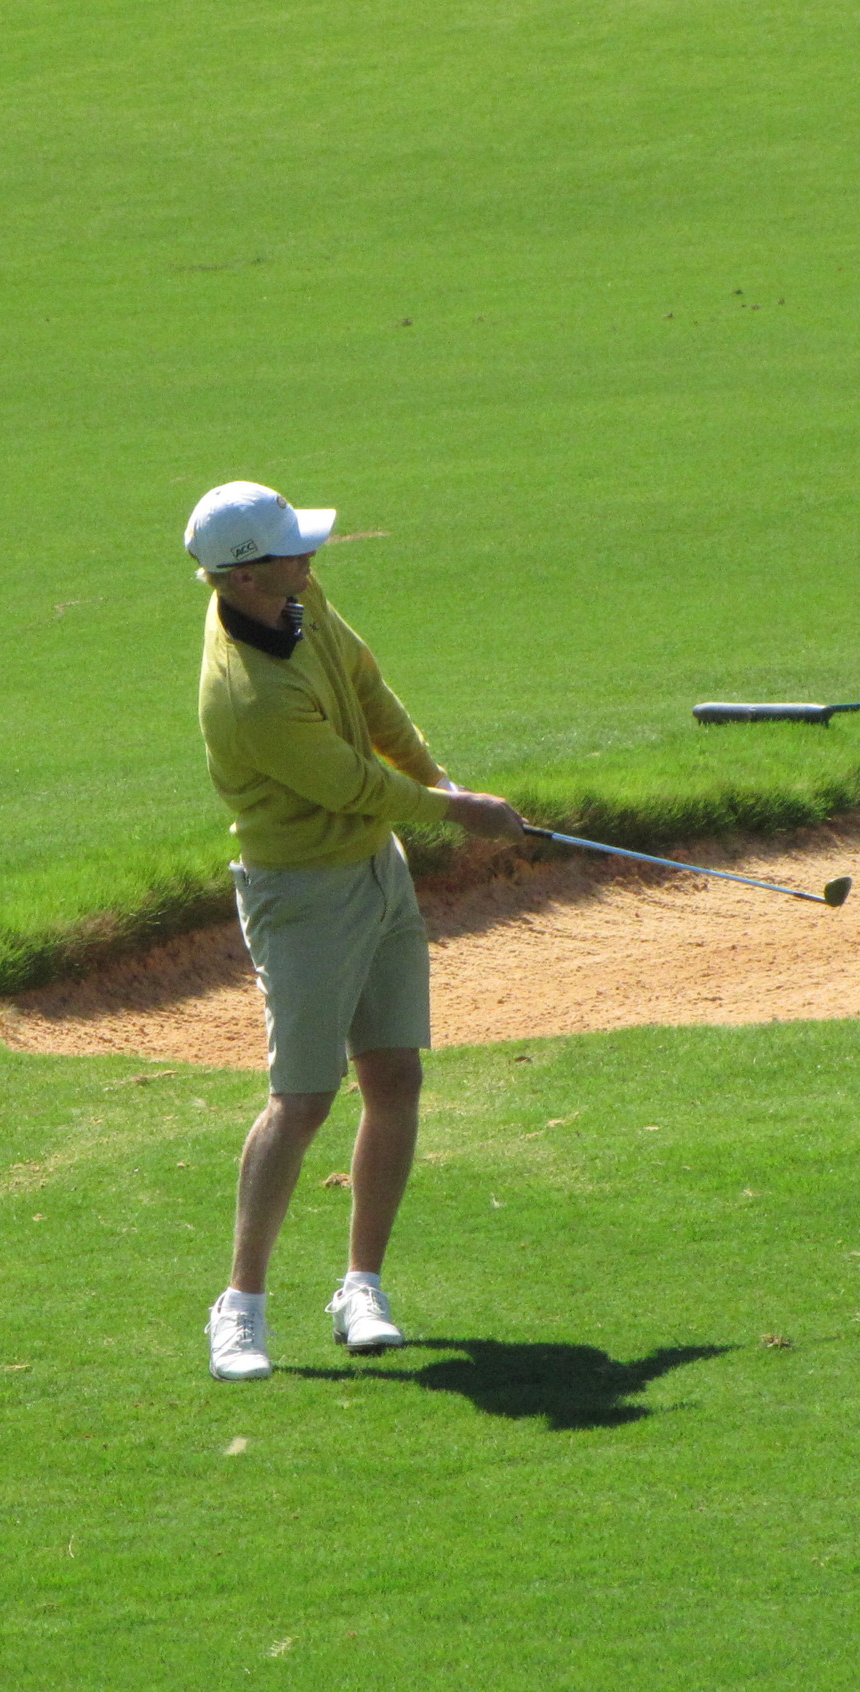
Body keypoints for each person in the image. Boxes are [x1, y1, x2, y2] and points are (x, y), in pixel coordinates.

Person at [186, 480, 523, 1381]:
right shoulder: (250, 696)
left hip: (377, 871)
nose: (311, 556)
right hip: (301, 895)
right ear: (245, 576)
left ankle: (360, 1286)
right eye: (293, 548)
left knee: (395, 1072)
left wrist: (443, 781)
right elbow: (355, 786)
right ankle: (241, 1309)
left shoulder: (297, 598)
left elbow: (371, 694)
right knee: (301, 1101)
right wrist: (461, 815)